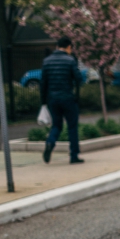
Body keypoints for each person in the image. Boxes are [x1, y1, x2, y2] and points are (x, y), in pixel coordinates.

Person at [41, 36, 84, 164]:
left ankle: (50, 142)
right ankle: (74, 155)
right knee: (72, 126)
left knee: (56, 125)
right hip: (68, 98)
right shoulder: (70, 60)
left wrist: (43, 101)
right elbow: (79, 78)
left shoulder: (47, 61)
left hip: (53, 99)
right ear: (69, 47)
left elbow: (43, 83)